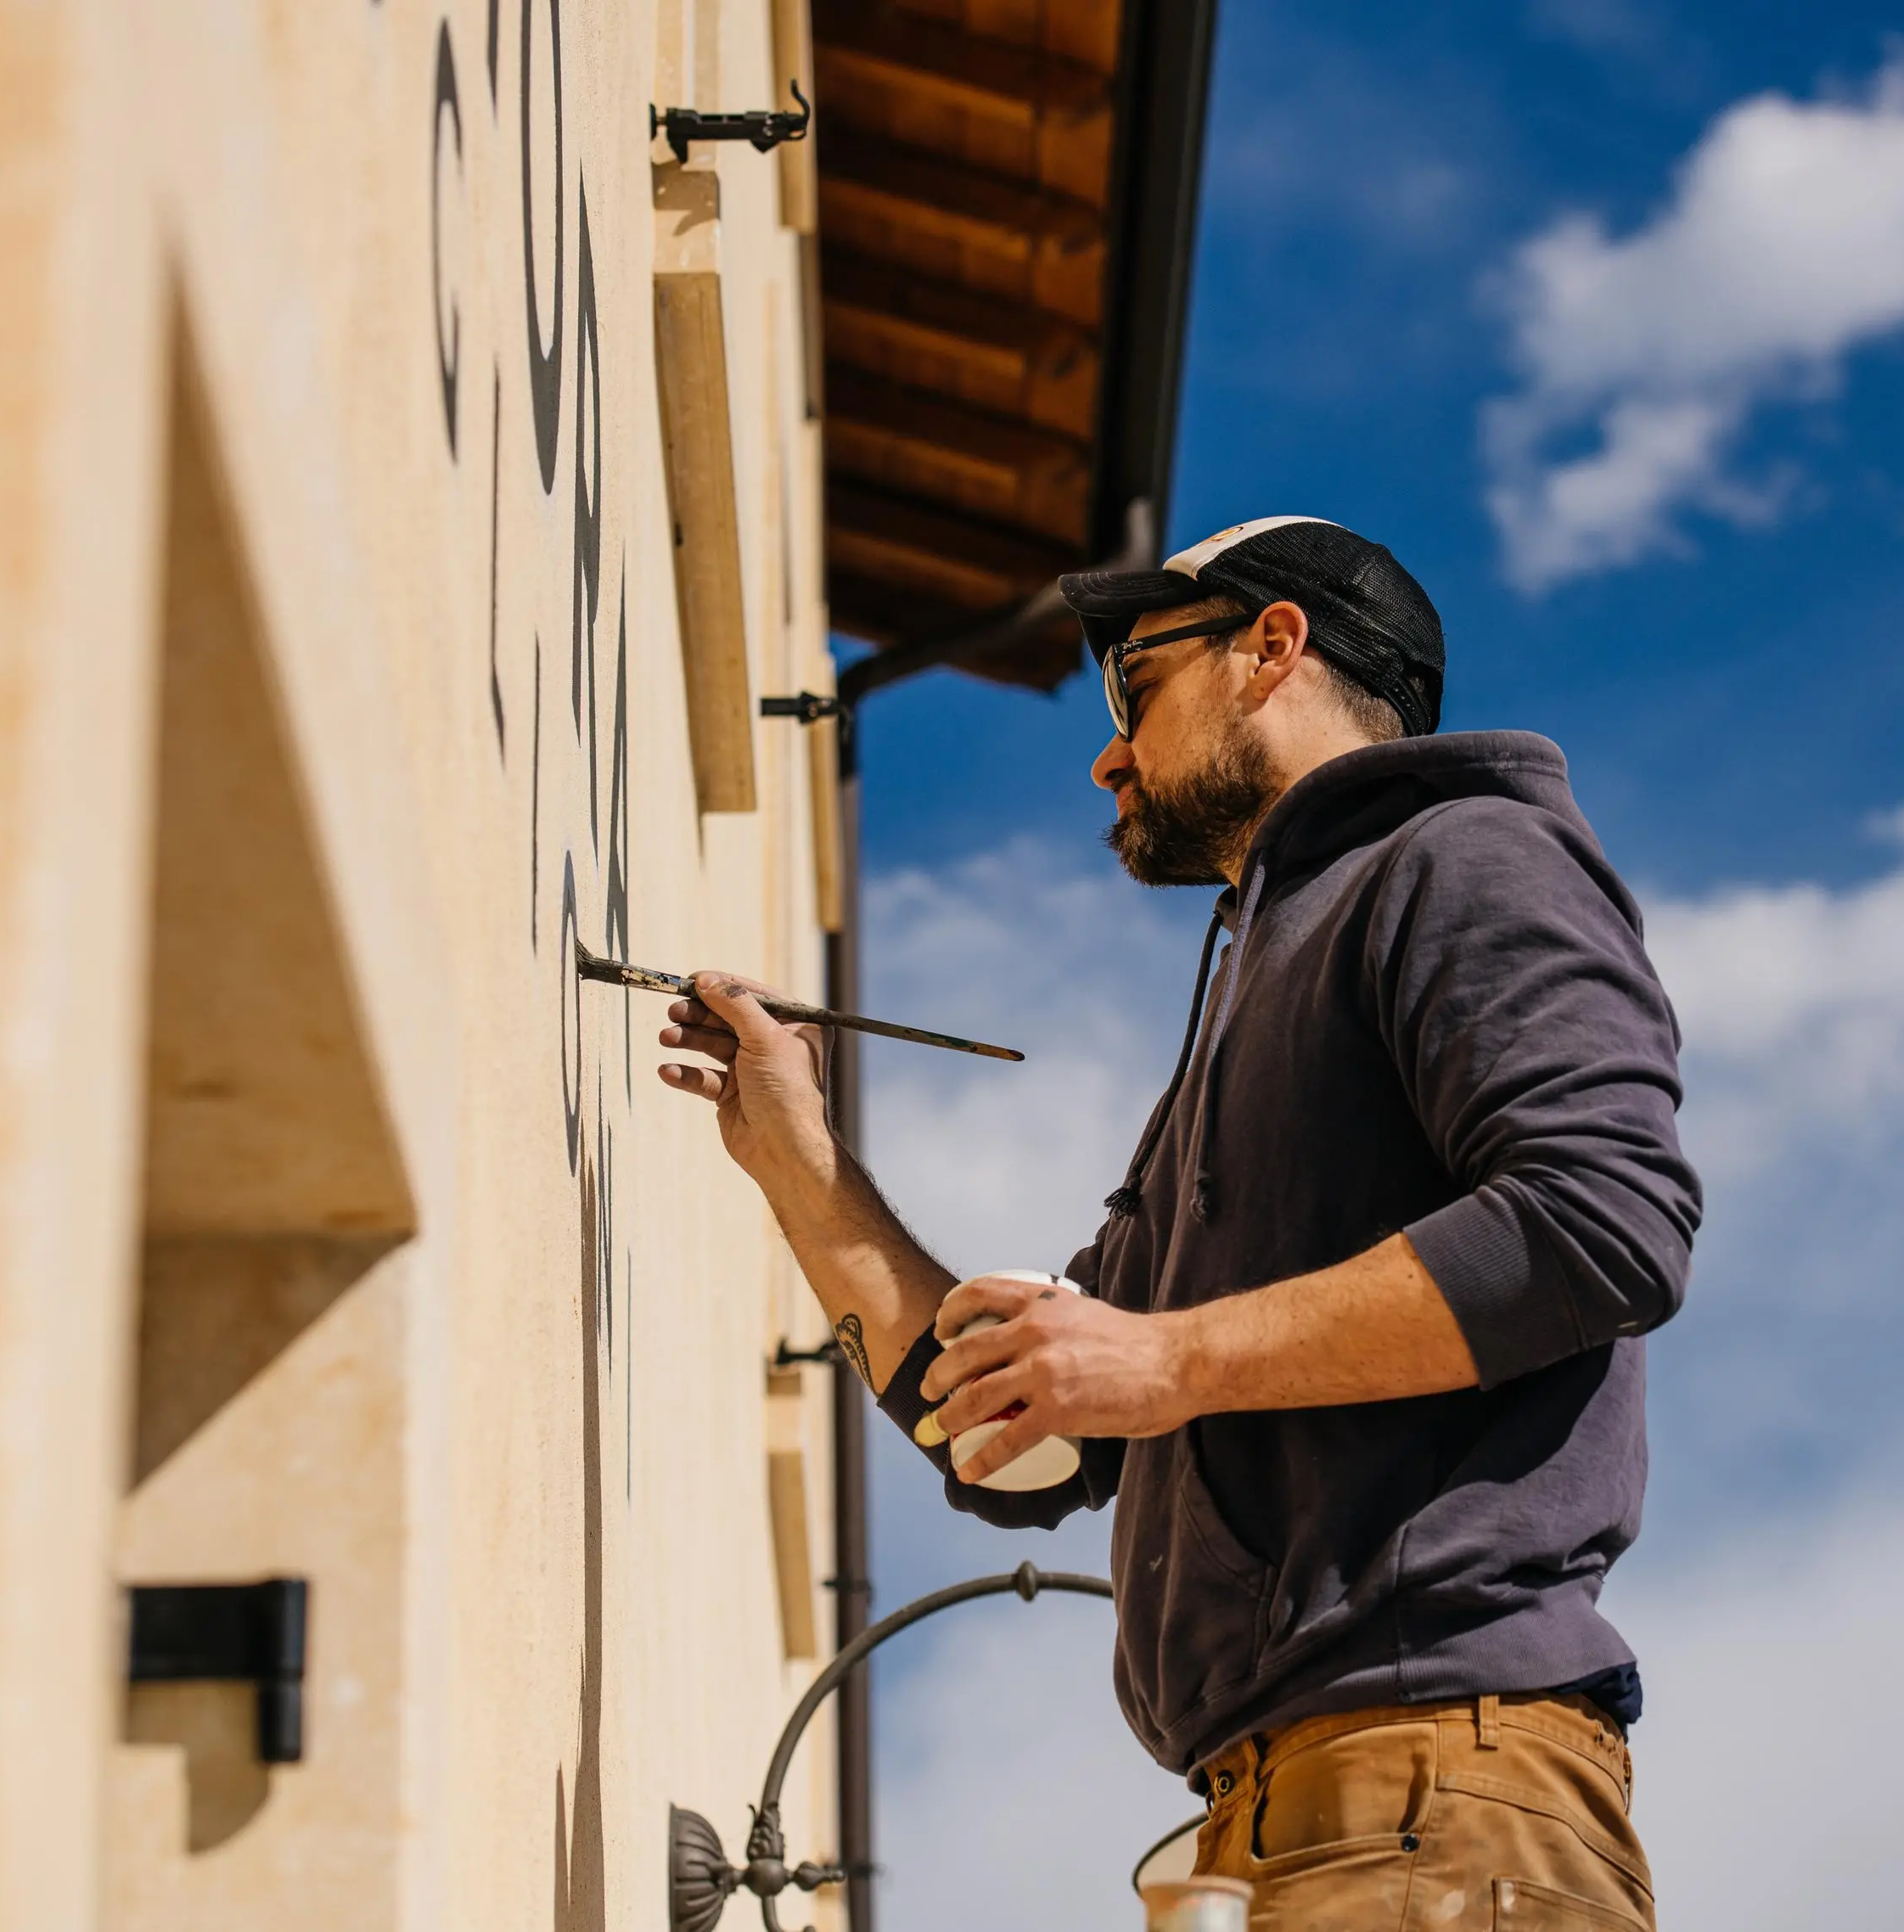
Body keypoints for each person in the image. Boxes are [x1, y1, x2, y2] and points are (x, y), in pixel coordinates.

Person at [655, 516, 1701, 1930]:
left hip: (1432, 1784)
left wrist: (1167, 1360)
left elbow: (1602, 1220)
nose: (1106, 756)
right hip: (1279, 1812)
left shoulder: (1465, 852)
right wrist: (796, 1160)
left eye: (1131, 684)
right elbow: (1015, 1438)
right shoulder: (1247, 1020)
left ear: (1272, 648)